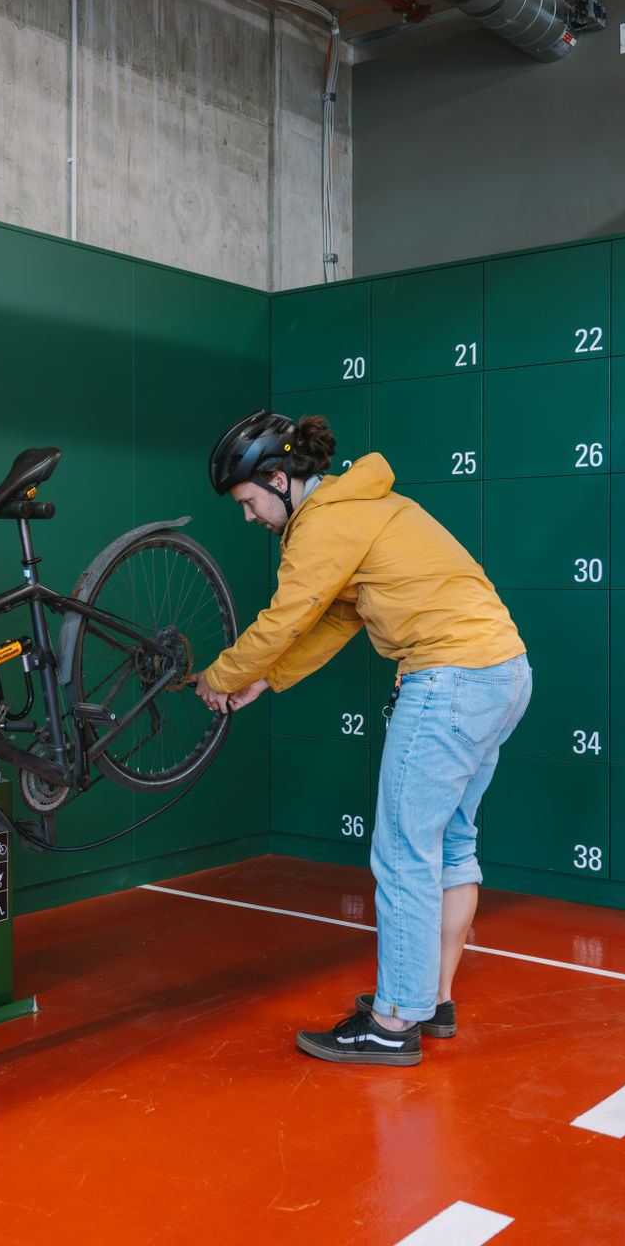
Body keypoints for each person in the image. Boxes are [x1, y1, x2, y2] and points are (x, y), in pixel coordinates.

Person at [196, 409, 531, 1066]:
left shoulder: (324, 524)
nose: (249, 516)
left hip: (449, 679)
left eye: (247, 501)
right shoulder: (367, 506)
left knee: (405, 853)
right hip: (503, 673)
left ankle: (391, 1024)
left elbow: (286, 616)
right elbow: (338, 620)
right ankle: (429, 1000)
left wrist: (222, 673)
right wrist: (267, 681)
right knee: (450, 845)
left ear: (279, 476)